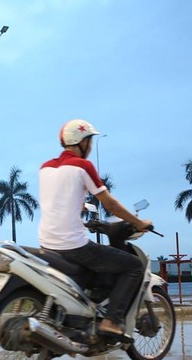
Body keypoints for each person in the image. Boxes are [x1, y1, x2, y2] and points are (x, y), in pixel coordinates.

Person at [38, 119, 152, 343]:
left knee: (99, 269)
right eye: (90, 140)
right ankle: (111, 321)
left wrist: (79, 208)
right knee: (133, 267)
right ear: (83, 142)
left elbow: (60, 200)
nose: (90, 146)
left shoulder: (46, 168)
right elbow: (109, 204)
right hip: (74, 246)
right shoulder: (83, 167)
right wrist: (137, 223)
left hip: (46, 242)